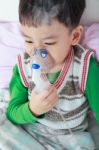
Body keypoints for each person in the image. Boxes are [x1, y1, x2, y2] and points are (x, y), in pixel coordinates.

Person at [6, 0, 99, 149]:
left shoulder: (84, 68)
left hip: (70, 137)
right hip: (32, 132)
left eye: (49, 43)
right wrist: (32, 109)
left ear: (74, 36)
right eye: (29, 40)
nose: (37, 52)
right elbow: (12, 113)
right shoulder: (24, 67)